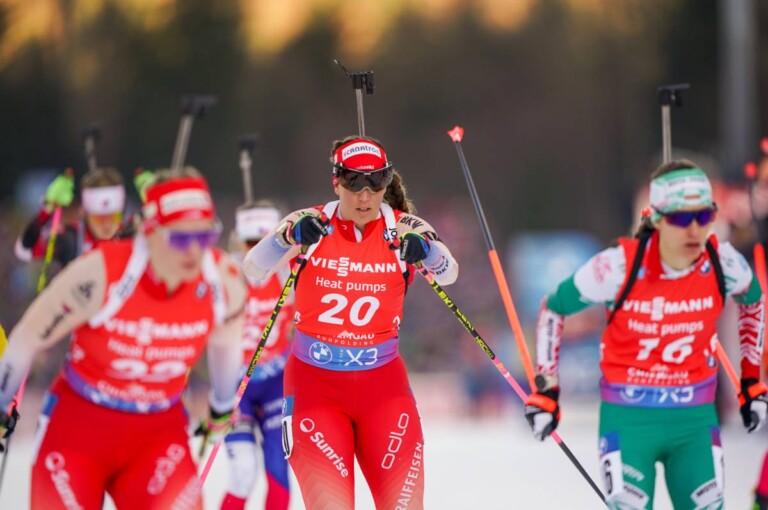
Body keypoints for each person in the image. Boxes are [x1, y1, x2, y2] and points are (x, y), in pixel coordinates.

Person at [523, 160, 767, 509]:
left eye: (704, 215)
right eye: (681, 218)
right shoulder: (618, 265)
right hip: (629, 421)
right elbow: (554, 308)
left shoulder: (722, 262)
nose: (694, 230)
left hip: (694, 423)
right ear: (656, 218)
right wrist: (547, 390)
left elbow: (754, 301)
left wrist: (752, 380)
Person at [0, 168, 246, 509]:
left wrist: (221, 408)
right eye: (179, 239)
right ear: (150, 232)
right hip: (79, 429)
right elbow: (27, 336)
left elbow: (226, 344)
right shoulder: (101, 272)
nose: (194, 251)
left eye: (204, 237)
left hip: (158, 434)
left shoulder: (223, 281)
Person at [242, 136, 459, 509]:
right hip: (314, 389)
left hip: (384, 390)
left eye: (376, 183)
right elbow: (253, 268)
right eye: (354, 183)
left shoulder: (403, 226)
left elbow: (449, 273)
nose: (365, 196)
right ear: (336, 182)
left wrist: (426, 249)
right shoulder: (310, 221)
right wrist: (287, 236)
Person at [219, 200, 293, 510]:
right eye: (251, 243)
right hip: (235, 386)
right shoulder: (225, 275)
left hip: (277, 381)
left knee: (278, 467)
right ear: (238, 241)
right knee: (243, 472)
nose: (259, 253)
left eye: (267, 244)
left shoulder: (288, 273)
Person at [15, 167, 133, 267]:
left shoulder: (131, 235)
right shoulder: (71, 238)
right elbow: (24, 251)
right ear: (84, 214)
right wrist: (48, 209)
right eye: (98, 219)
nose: (106, 225)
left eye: (114, 217)